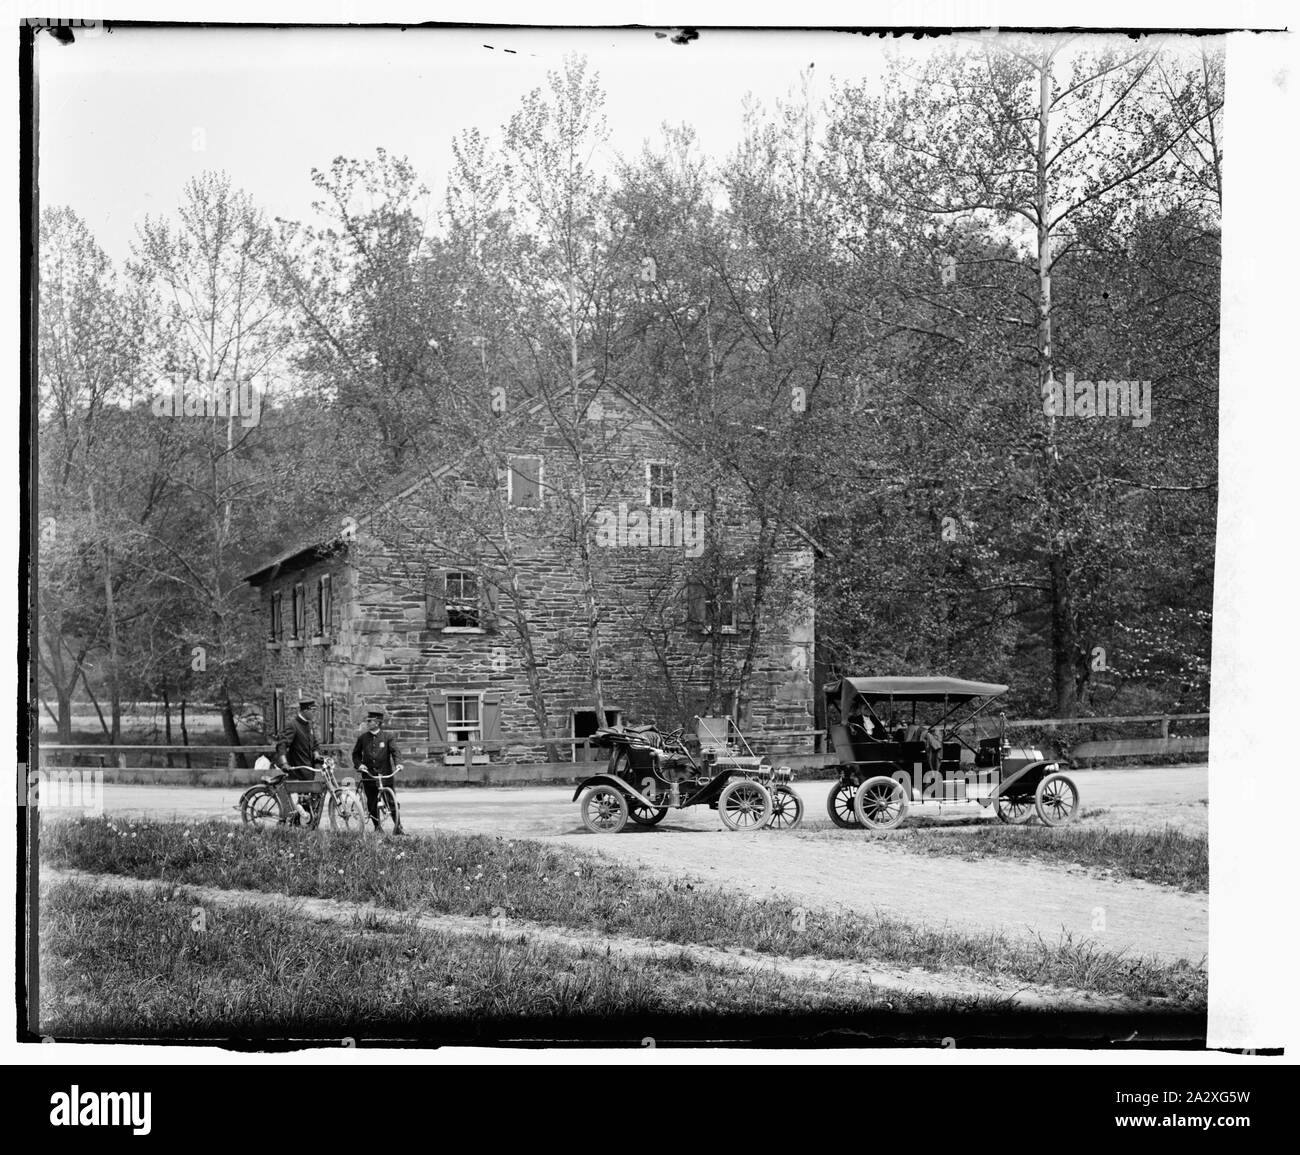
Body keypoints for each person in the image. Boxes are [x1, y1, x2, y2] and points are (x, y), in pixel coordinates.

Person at [352, 707, 405, 835]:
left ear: (377, 722)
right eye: (367, 721)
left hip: (385, 775)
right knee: (372, 802)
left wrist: (398, 764)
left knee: (391, 802)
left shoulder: (388, 737)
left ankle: (398, 828)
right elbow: (356, 754)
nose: (367, 723)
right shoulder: (363, 738)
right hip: (369, 776)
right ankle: (377, 827)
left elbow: (395, 751)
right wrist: (359, 765)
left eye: (370, 721)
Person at [276, 699, 323, 824]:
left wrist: (317, 755)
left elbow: (314, 744)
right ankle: (289, 821)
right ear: (305, 710)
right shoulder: (293, 725)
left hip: (308, 770)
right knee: (299, 801)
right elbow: (282, 744)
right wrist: (284, 763)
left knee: (308, 800)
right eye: (313, 711)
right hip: (297, 770)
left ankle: (302, 825)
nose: (315, 713)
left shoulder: (309, 724)